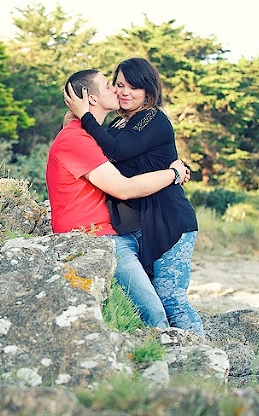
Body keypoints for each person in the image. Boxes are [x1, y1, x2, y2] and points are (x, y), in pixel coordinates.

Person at [64, 57, 205, 337]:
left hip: (168, 221)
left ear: (148, 91)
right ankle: (172, 355)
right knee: (151, 299)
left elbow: (116, 150)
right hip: (138, 226)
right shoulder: (118, 124)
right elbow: (94, 152)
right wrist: (73, 119)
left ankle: (201, 362)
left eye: (133, 87)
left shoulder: (153, 119)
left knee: (171, 299)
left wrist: (86, 115)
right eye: (118, 85)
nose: (124, 92)